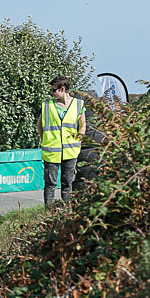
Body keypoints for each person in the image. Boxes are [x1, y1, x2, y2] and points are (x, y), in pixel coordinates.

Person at [37, 76, 86, 208]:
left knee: (67, 184)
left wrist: (78, 140)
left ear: (62, 89)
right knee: (50, 185)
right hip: (51, 152)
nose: (51, 93)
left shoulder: (78, 104)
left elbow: (82, 125)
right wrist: (44, 140)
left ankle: (66, 214)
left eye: (53, 90)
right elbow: (39, 125)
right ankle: (49, 214)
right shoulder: (47, 106)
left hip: (71, 151)